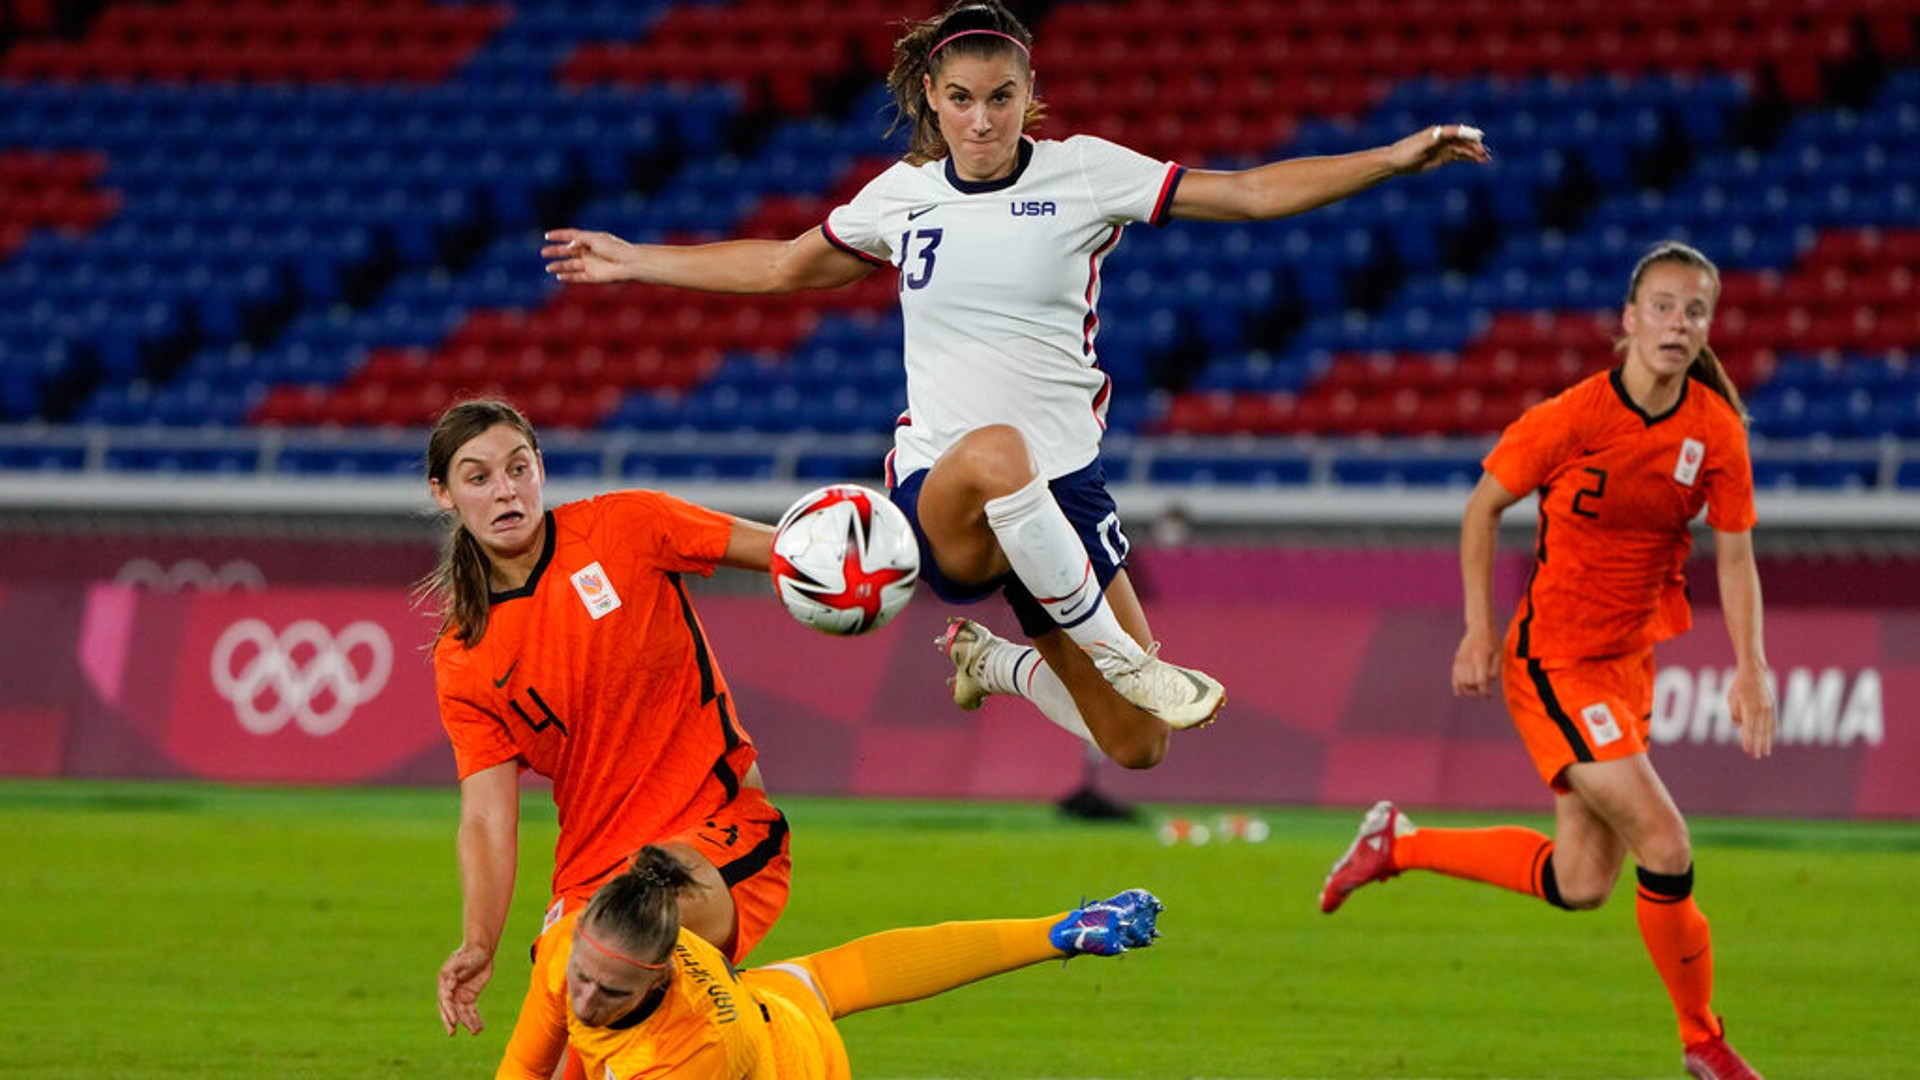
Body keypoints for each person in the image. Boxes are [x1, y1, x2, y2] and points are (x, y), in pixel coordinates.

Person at [540, 0, 1490, 771]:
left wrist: (1391, 157)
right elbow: (785, 267)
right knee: (998, 454)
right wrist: (636, 260)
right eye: (961, 98)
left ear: (1030, 92)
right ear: (931, 96)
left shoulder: (1086, 174)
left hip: (1067, 499)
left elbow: (1246, 193)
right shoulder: (901, 197)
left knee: (1139, 745)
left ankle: (994, 664)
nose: (982, 118)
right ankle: (1122, 658)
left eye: (1001, 96)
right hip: (946, 492)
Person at [1318, 242, 1776, 1080]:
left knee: (1582, 880)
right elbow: (1481, 507)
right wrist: (1478, 631)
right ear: (1629, 320)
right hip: (1556, 661)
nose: (1680, 324)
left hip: (1626, 664)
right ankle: (1703, 1041)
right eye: (1665, 307)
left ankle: (1399, 843)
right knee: (1666, 847)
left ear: (1709, 325)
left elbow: (1737, 556)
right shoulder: (1571, 416)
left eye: (1696, 311)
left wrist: (1752, 667)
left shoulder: (1715, 432)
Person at [420, 399, 793, 1068]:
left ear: (541, 469)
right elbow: (485, 817)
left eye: (519, 468)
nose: (506, 490)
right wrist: (480, 940)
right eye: (478, 478)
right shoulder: (464, 653)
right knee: (572, 1048)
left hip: (720, 833)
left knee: (614, 949)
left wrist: (858, 566)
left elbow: (787, 552)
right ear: (443, 495)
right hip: (588, 877)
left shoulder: (627, 526)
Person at [497, 844, 1163, 1078]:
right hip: (766, 996)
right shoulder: (569, 949)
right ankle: (1063, 930)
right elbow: (527, 1064)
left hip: (795, 1061)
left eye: (610, 992)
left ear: (659, 973)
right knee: (836, 975)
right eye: (582, 978)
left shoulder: (691, 1055)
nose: (584, 999)